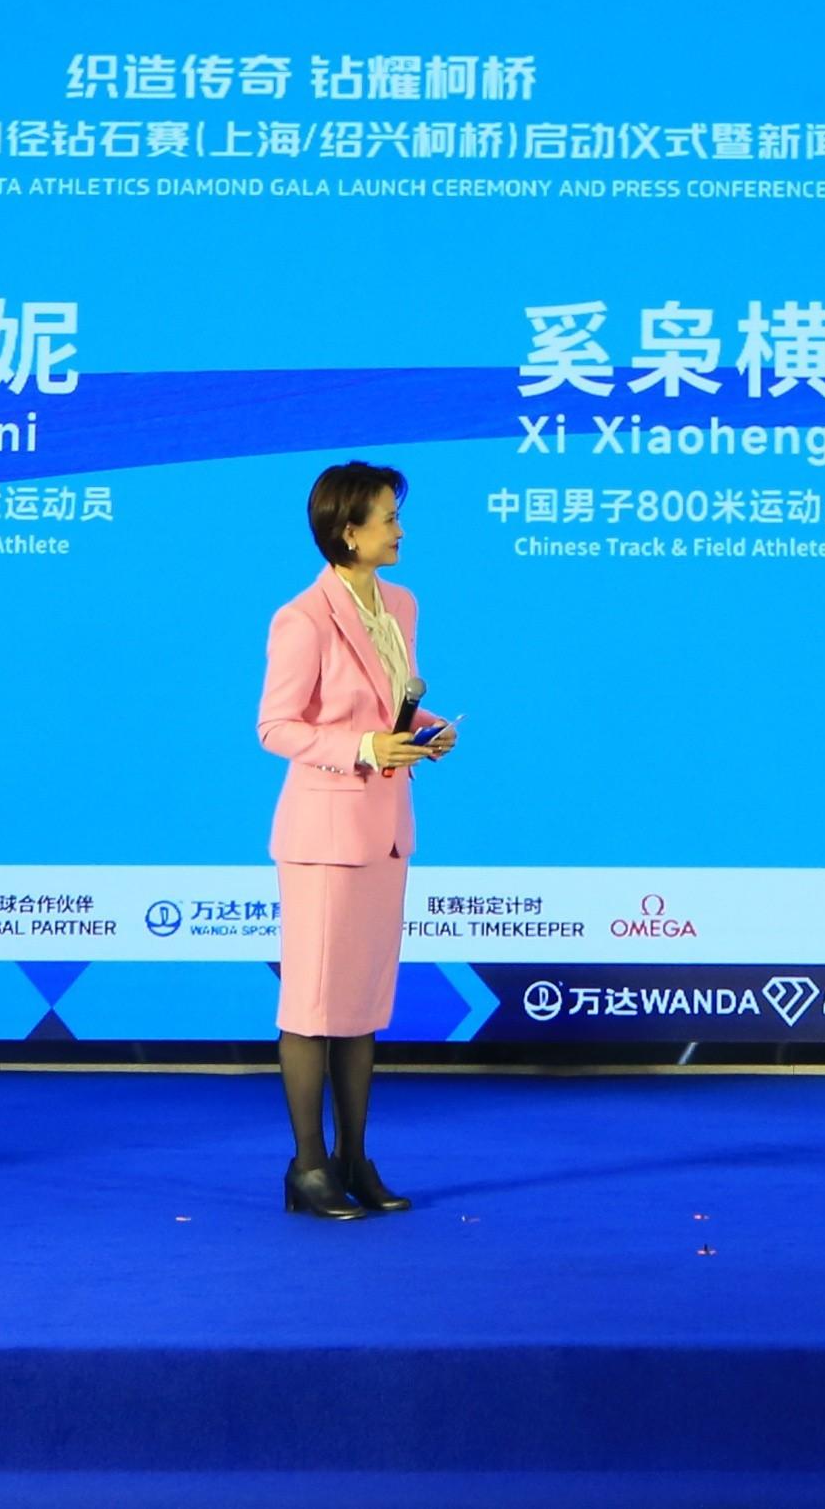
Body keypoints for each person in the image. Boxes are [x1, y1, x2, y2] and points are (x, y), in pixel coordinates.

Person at [256, 460, 453, 1218]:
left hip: (385, 831)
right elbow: (277, 727)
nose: (400, 529)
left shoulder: (400, 603)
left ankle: (353, 1158)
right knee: (314, 1003)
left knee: (364, 1002)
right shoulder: (303, 617)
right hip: (324, 836)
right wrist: (366, 748)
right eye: (387, 517)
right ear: (347, 532)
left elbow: (389, 703)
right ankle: (307, 1167)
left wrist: (423, 732)